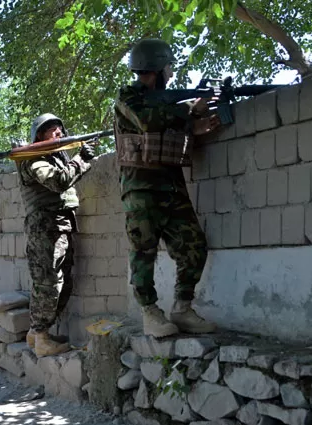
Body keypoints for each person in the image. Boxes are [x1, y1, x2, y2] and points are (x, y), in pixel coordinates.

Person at [113, 38, 221, 338]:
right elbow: (148, 122)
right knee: (144, 251)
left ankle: (182, 308)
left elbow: (169, 132)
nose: (171, 73)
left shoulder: (166, 102)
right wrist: (188, 108)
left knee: (194, 246)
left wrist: (195, 127)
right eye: (168, 68)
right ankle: (150, 312)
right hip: (141, 188)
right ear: (156, 69)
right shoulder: (128, 96)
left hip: (171, 185)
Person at [17, 113, 95, 357]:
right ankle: (41, 338)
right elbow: (58, 181)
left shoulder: (54, 158)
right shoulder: (32, 159)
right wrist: (81, 159)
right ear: (39, 136)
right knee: (49, 284)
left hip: (60, 225)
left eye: (60, 128)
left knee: (64, 283)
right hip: (45, 227)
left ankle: (37, 332)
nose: (59, 132)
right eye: (52, 129)